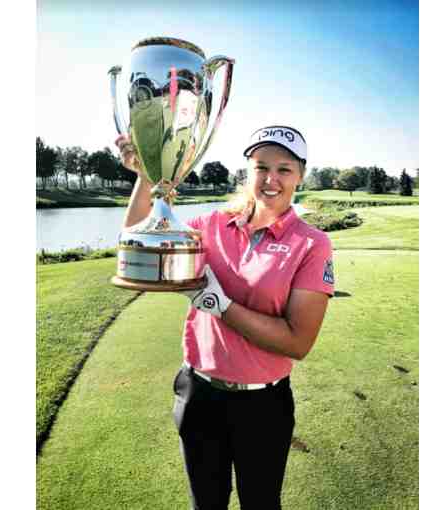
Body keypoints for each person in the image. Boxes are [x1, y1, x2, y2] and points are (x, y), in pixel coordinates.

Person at [115, 125, 335, 510]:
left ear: (300, 175)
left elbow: (298, 342)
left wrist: (220, 305)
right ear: (247, 171)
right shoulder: (210, 225)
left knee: (261, 505)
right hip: (199, 394)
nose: (271, 179)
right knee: (206, 504)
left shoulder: (312, 243)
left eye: (284, 169)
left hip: (263, 407)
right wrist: (145, 176)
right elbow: (140, 249)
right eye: (260, 166)